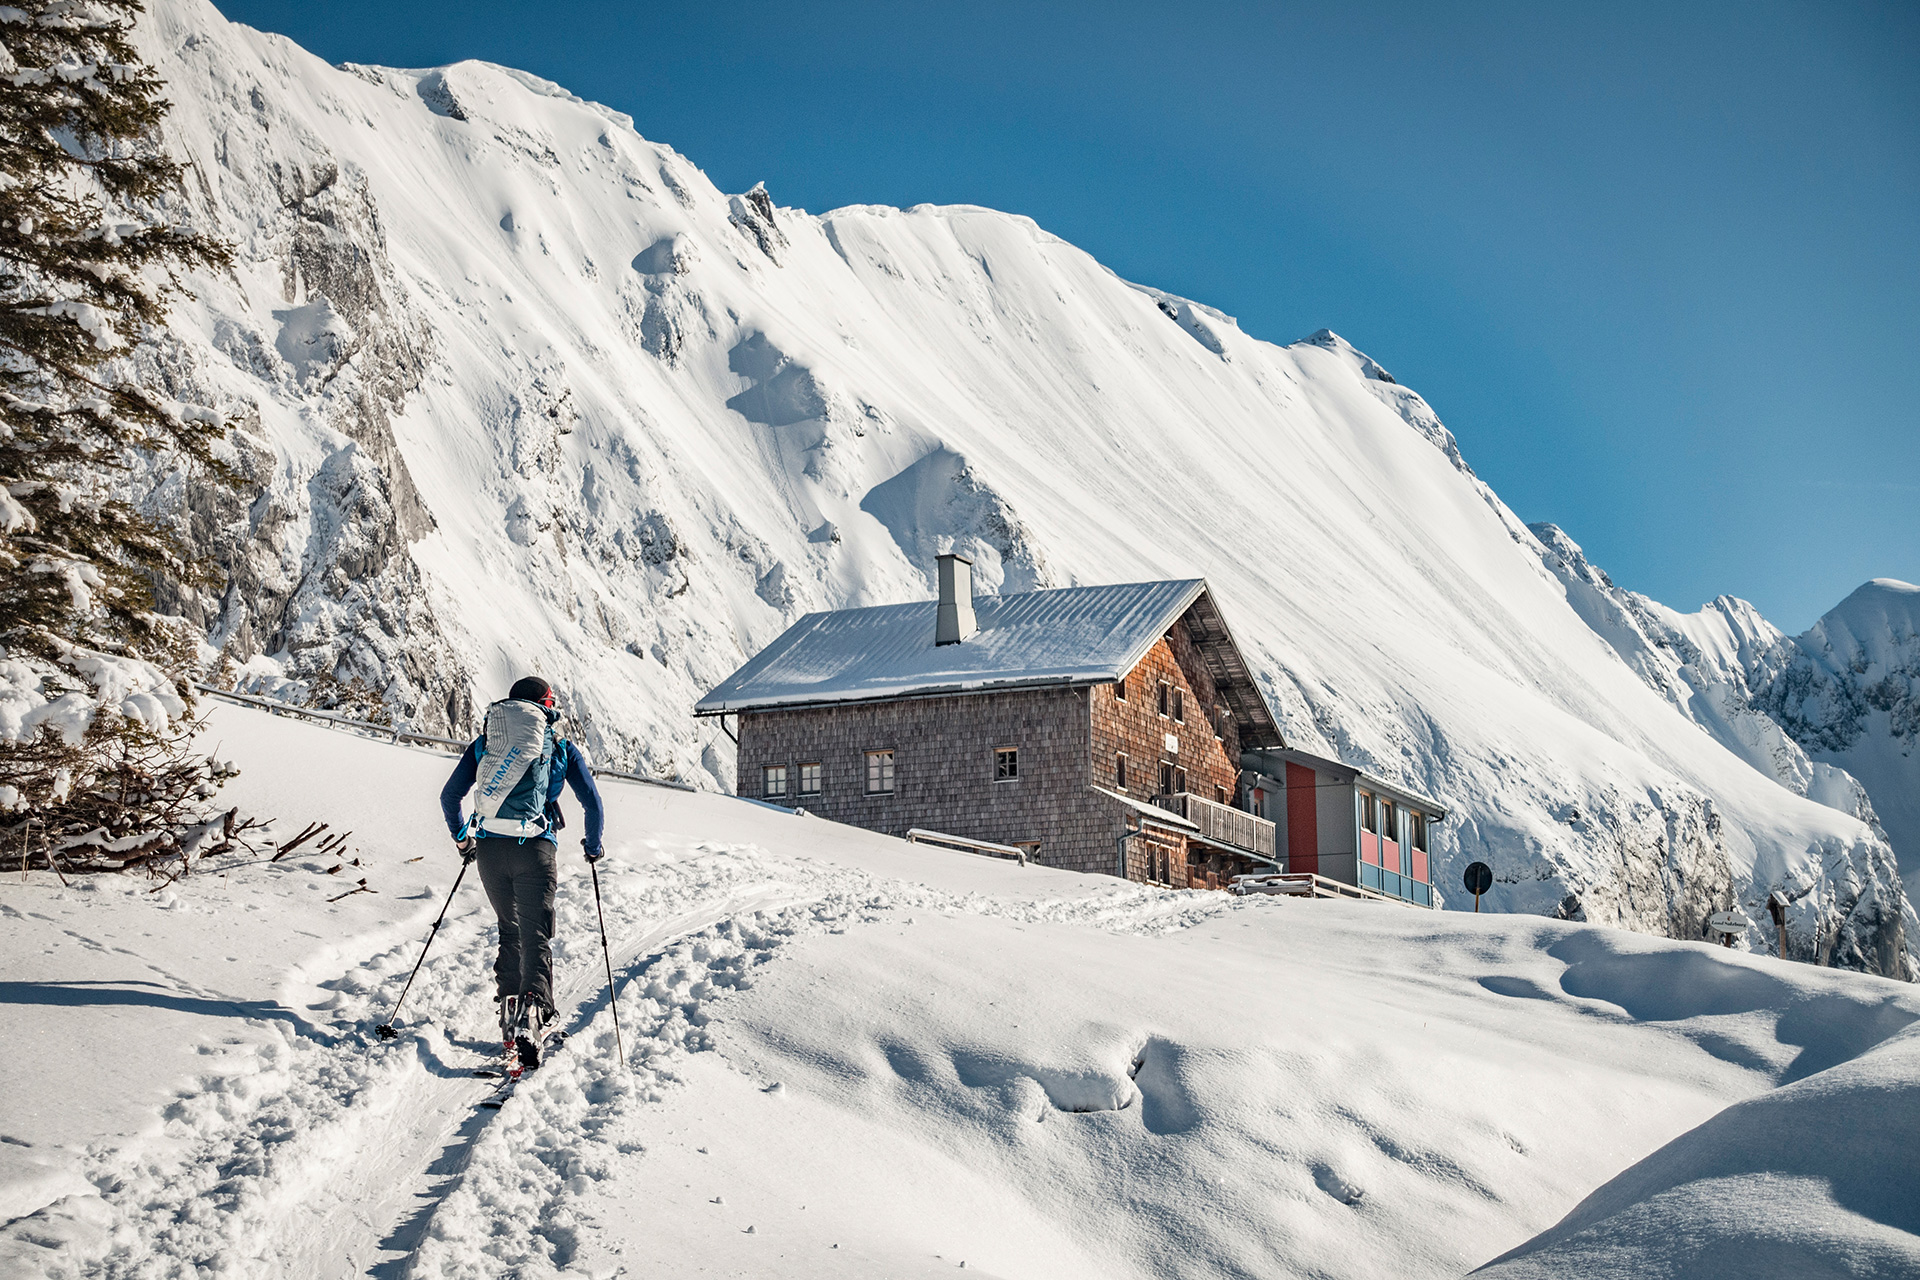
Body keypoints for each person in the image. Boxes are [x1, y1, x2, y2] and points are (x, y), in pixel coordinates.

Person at [439, 675, 604, 1070]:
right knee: (536, 934)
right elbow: (592, 803)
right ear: (545, 706)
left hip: (491, 851)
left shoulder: (486, 745)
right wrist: (593, 846)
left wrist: (464, 840)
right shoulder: (560, 748)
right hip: (536, 849)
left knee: (508, 929)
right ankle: (536, 1013)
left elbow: (449, 797)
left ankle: (510, 1016)